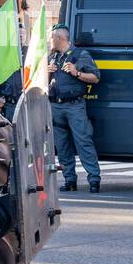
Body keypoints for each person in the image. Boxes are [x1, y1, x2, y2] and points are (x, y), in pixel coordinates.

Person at [47, 24, 101, 193]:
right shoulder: (52, 56)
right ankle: (70, 180)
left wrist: (76, 73)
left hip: (74, 106)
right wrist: (45, 71)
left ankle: (94, 179)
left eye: (51, 38)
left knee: (83, 142)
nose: (50, 41)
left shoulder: (80, 55)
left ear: (59, 38)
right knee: (62, 146)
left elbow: (95, 78)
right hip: (55, 105)